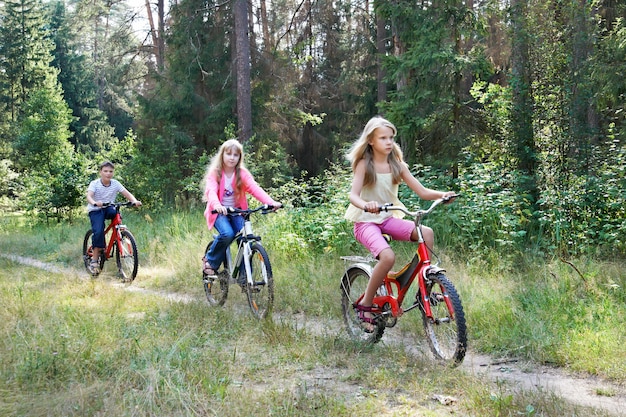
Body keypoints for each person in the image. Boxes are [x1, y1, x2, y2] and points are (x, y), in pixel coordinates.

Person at [344, 116, 456, 332]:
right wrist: (366, 205)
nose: (388, 142)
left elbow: (422, 192)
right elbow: (353, 196)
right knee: (388, 257)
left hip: (388, 219)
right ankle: (367, 303)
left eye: (391, 138)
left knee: (427, 233)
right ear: (371, 141)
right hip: (366, 222)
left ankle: (426, 284)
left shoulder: (397, 165)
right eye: (383, 138)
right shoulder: (363, 165)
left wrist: (442, 195)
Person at [202, 139, 281, 284]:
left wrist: (270, 203)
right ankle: (210, 260)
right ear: (222, 155)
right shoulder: (216, 173)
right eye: (229, 154)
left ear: (240, 157)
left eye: (236, 155)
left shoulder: (242, 174)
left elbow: (255, 188)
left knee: (245, 239)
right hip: (218, 211)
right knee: (228, 234)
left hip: (237, 211)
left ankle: (245, 278)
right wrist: (217, 204)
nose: (232, 157)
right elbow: (211, 191)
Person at [86, 161, 142, 275]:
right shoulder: (95, 183)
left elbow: (127, 193)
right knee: (98, 231)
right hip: (96, 209)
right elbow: (89, 196)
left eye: (111, 171)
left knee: (116, 215)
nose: (108, 174)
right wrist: (95, 203)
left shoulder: (115, 183)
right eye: (105, 171)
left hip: (109, 208)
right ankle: (95, 259)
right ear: (100, 172)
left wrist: (134, 201)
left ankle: (118, 236)